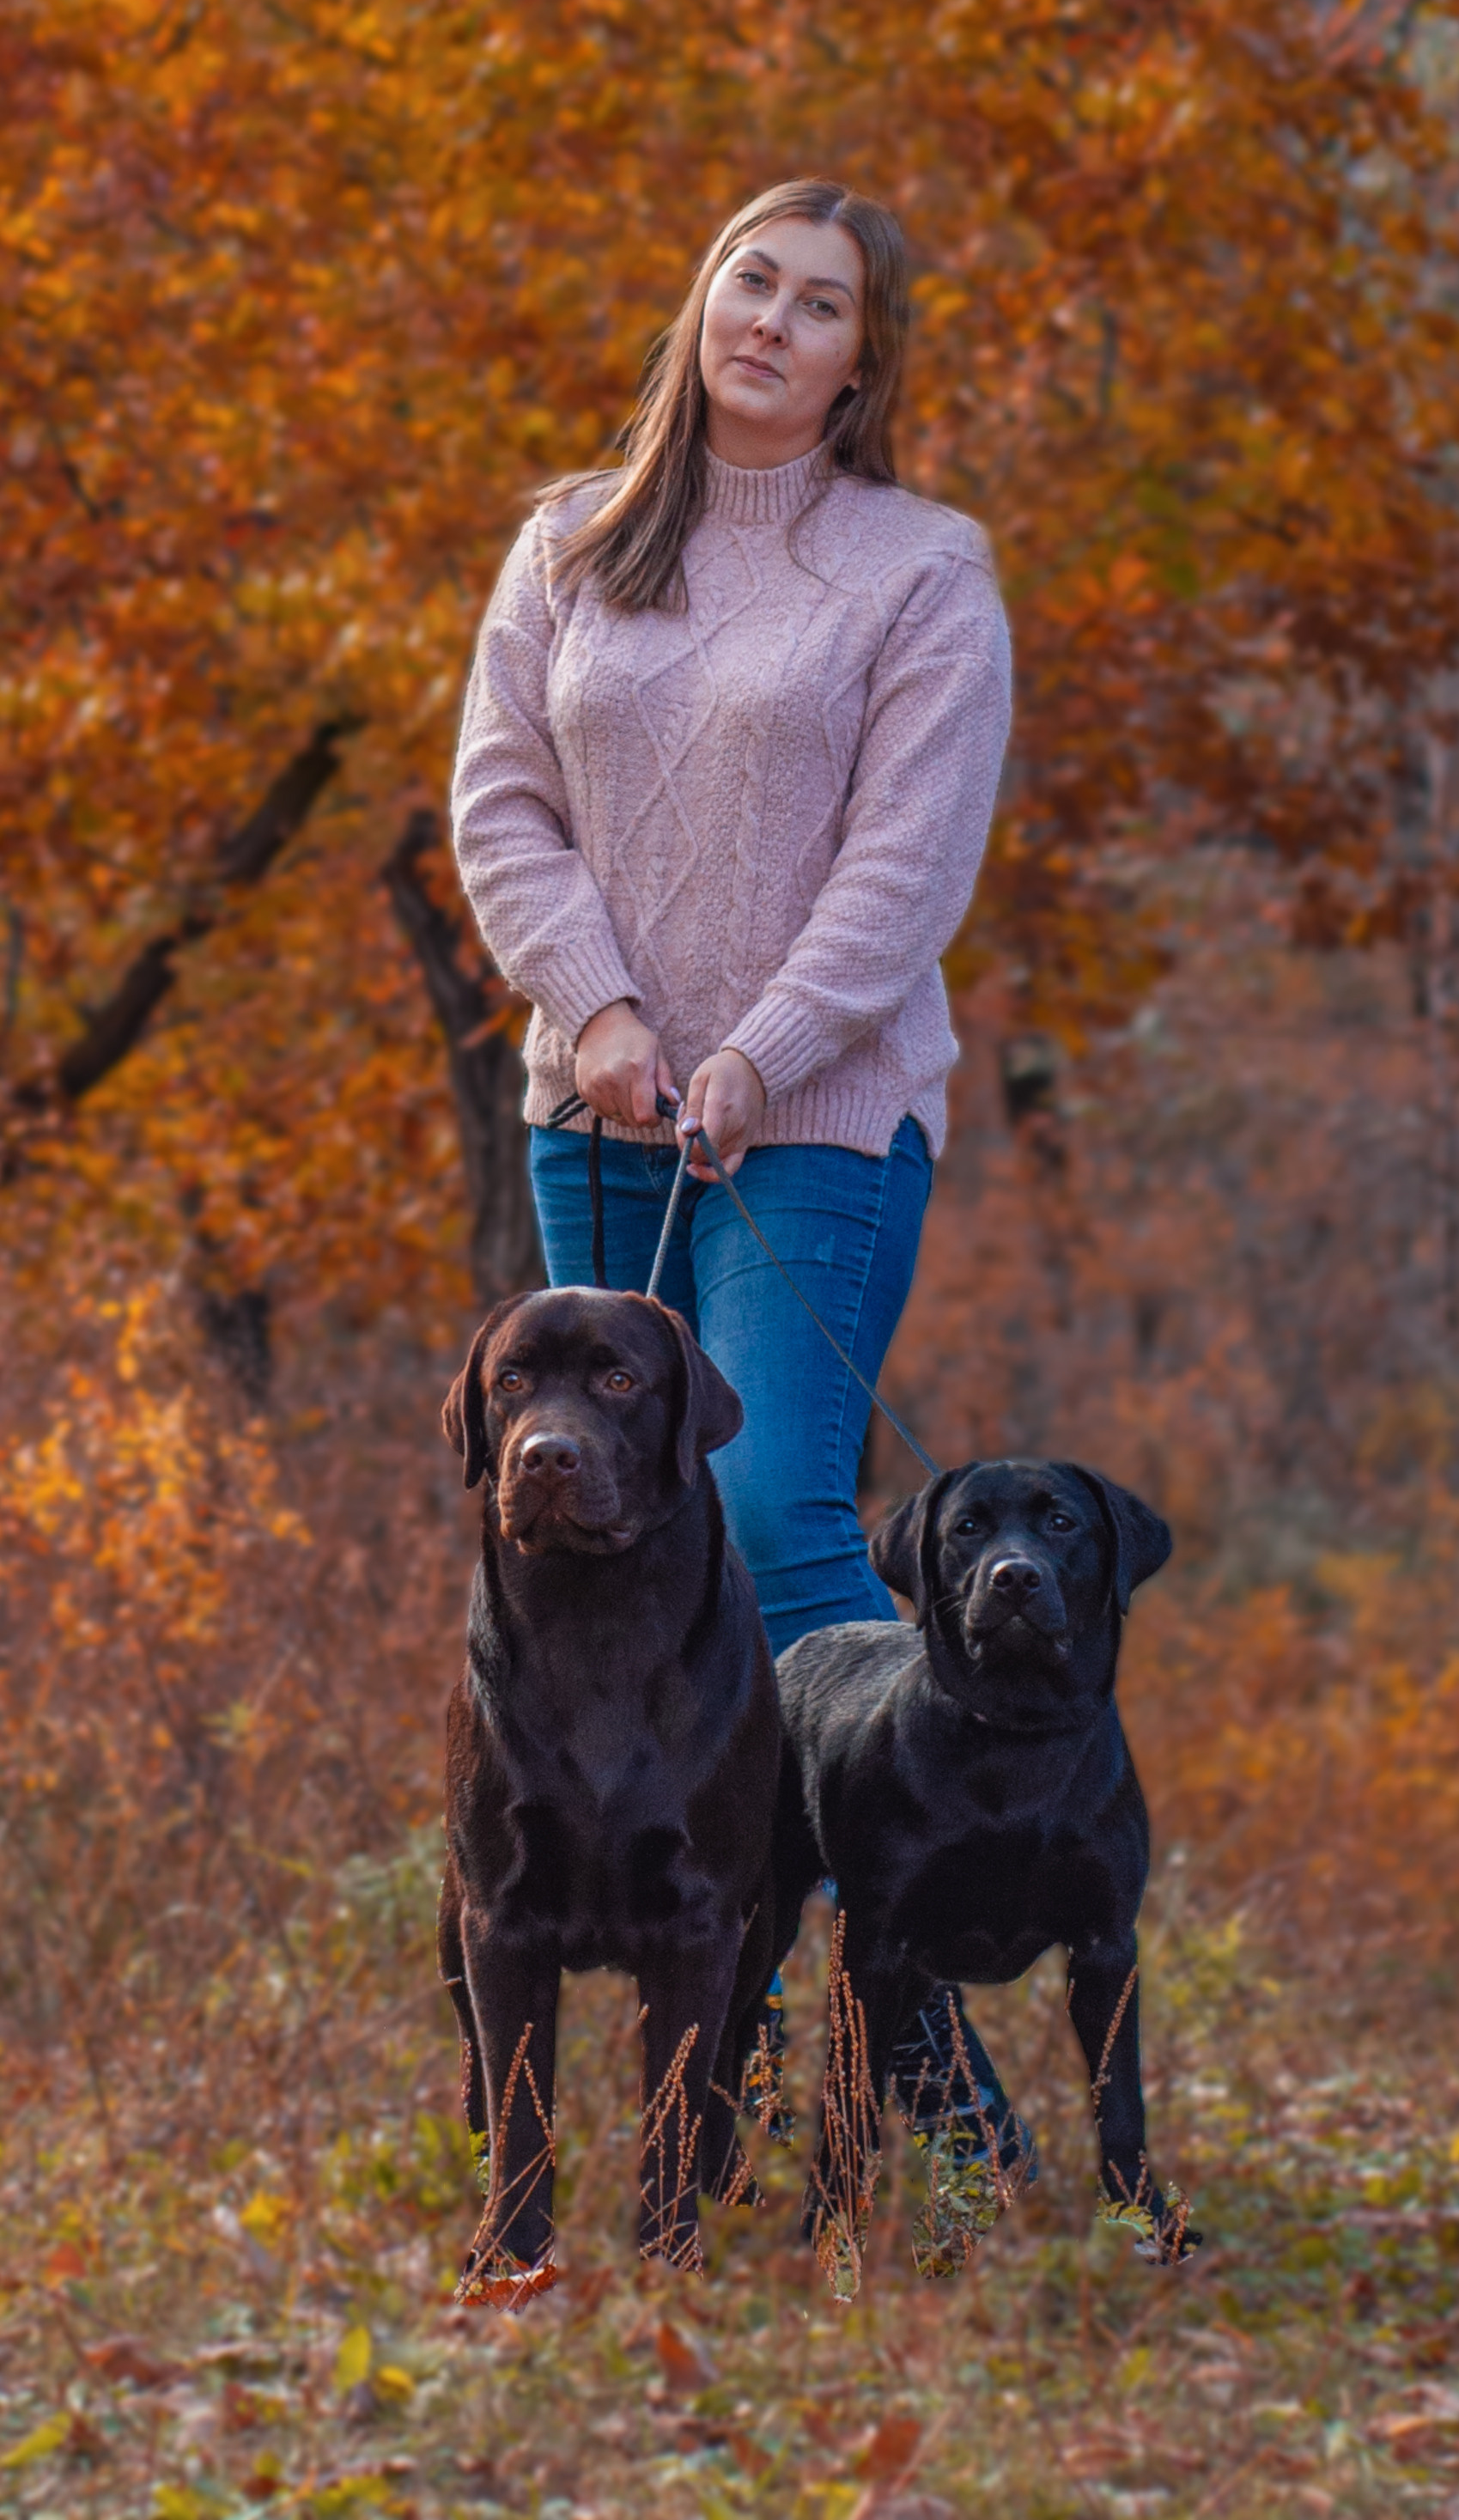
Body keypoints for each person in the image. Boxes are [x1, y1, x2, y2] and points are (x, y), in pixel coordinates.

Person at [450, 177, 1031, 2211]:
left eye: (820, 305)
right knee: (616, 1539)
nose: (771, 324)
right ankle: (720, 1998)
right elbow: (498, 798)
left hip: (820, 1116)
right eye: (747, 284)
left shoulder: (919, 570)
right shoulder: (572, 538)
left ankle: (915, 2006)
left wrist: (757, 1048)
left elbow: (911, 861)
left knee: (775, 1502)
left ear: (868, 357)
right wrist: (598, 1010)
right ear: (700, 303)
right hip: (590, 1106)